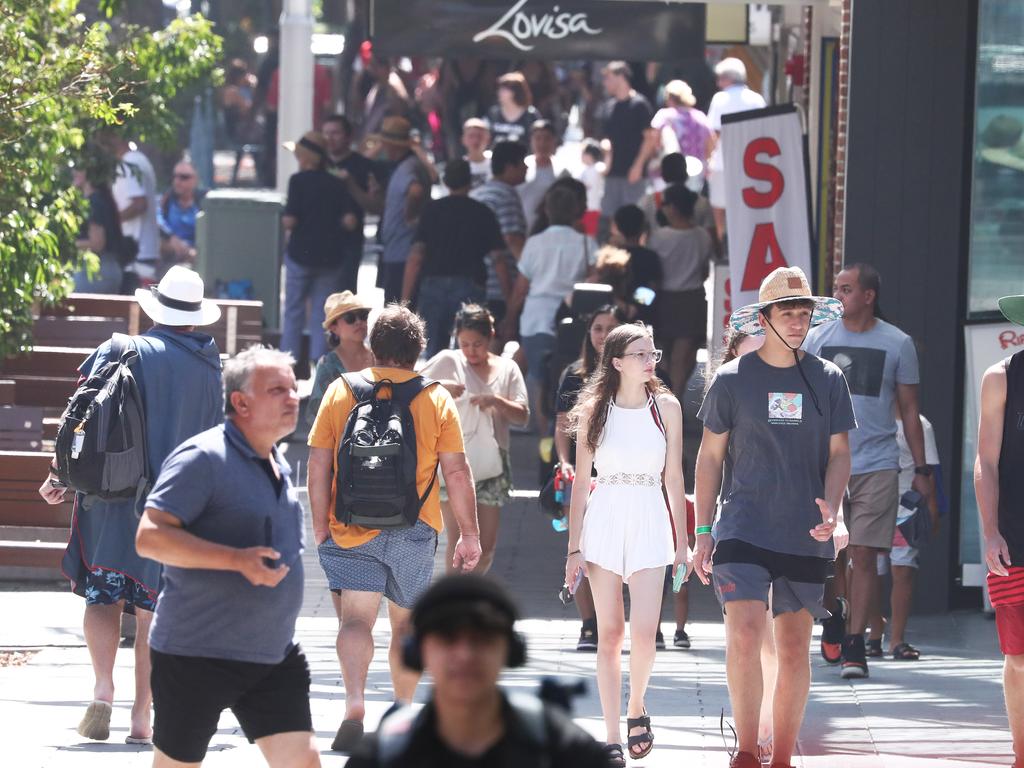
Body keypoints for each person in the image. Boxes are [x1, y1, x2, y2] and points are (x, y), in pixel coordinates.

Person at [38, 266, 224, 745]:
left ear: (155, 307)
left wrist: (59, 475)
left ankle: (102, 690)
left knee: (103, 595)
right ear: (195, 315)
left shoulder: (120, 349)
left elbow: (79, 417)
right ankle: (143, 715)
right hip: (172, 507)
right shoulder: (210, 366)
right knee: (153, 611)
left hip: (108, 498)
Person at [693, 266, 854, 768]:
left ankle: (781, 756)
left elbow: (841, 453)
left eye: (804, 314)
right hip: (742, 527)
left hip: (805, 532)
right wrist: (701, 532)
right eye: (788, 313)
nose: (798, 322)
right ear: (764, 319)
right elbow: (709, 458)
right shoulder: (731, 379)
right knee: (743, 632)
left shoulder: (829, 378)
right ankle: (745, 750)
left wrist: (833, 503)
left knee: (792, 648)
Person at [306, 304, 483, 753]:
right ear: (419, 349)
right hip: (415, 527)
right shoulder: (435, 397)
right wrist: (470, 533)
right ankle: (401, 711)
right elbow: (458, 473)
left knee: (356, 620)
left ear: (372, 346)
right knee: (405, 628)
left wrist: (319, 523)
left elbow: (318, 462)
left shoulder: (341, 390)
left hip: (350, 526)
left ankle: (354, 703)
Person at [135, 347, 319, 768]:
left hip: (271, 655)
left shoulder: (276, 461)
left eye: (294, 388)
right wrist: (236, 560)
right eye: (277, 390)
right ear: (240, 402)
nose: (292, 398)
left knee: (304, 763)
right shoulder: (203, 457)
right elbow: (150, 537)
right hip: (195, 654)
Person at [565, 323, 689, 766]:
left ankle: (637, 706)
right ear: (616, 362)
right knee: (610, 633)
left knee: (644, 633)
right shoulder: (595, 408)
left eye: (652, 352)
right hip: (605, 516)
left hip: (650, 515)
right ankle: (612, 735)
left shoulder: (667, 407)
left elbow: (674, 477)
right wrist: (573, 549)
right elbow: (581, 483)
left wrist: (683, 543)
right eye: (639, 353)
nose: (649, 359)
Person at [804, 263, 933, 679]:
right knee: (829, 554)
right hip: (823, 461)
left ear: (868, 296)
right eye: (836, 288)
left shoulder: (898, 343)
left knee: (864, 553)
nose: (837, 296)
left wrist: (923, 467)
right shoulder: (816, 338)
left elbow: (910, 410)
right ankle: (834, 617)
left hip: (878, 462)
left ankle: (856, 643)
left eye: (846, 289)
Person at [345, 574, 610, 768]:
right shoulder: (381, 757)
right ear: (418, 650)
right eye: (447, 638)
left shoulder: (565, 751)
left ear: (510, 650)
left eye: (481, 638)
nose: (464, 654)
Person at [423, 305, 529, 573]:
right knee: (459, 539)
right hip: (453, 459)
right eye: (465, 344)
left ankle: (467, 596)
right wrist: (441, 388)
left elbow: (522, 416)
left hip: (493, 461)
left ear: (491, 335)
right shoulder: (449, 359)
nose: (471, 351)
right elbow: (412, 388)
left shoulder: (508, 368)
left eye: (478, 344)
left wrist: (495, 401)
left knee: (487, 545)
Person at [554, 305, 626, 652]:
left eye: (610, 328)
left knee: (618, 552)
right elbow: (560, 425)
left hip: (621, 477)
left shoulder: (635, 372)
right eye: (598, 328)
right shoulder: (574, 374)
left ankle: (613, 620)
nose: (603, 335)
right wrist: (564, 463)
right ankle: (588, 624)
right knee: (579, 547)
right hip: (584, 474)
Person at [975, 291, 1024, 768]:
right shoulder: (1002, 377)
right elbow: (986, 460)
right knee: (1020, 658)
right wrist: (989, 531)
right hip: (1015, 536)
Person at [505, 185, 598, 435]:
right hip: (574, 318)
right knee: (570, 374)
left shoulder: (534, 243)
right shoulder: (587, 243)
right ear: (576, 211)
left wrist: (510, 318)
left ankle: (544, 430)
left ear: (546, 210)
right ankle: (566, 428)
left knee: (538, 374)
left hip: (536, 318)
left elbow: (521, 287)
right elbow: (594, 280)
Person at [402, 159, 506, 358]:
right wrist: (508, 300)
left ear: (446, 182)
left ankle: (434, 388)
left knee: (433, 353)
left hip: (433, 284)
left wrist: (406, 302)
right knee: (469, 351)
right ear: (470, 181)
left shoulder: (431, 211)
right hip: (470, 285)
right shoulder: (482, 212)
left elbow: (416, 256)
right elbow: (498, 260)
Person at [280, 131, 360, 365]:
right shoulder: (336, 184)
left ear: (303, 158)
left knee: (293, 310)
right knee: (323, 316)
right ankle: (320, 364)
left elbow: (290, 221)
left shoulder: (297, 181)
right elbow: (350, 221)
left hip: (300, 254)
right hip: (330, 257)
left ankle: (288, 361)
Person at [867, 414, 940, 660]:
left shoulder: (921, 425)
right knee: (870, 573)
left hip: (906, 509)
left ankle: (897, 639)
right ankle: (875, 629)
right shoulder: (868, 415)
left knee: (903, 570)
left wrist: (932, 510)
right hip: (873, 506)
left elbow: (928, 472)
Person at [647, 184, 714, 400]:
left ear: (673, 208)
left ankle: (663, 403)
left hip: (663, 300)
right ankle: (675, 401)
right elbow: (705, 270)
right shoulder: (703, 236)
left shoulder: (657, 237)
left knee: (662, 356)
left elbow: (653, 273)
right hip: (692, 299)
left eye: (665, 203)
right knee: (682, 358)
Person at [469, 141, 529, 335]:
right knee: (495, 338)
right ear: (510, 167)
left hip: (476, 278)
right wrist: (528, 274)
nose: (526, 168)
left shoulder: (478, 193)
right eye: (522, 163)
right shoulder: (506, 195)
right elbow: (512, 239)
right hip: (499, 284)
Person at [706, 58, 767, 242]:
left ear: (727, 79)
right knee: (745, 207)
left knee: (720, 206)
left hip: (723, 163)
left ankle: (722, 241)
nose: (718, 84)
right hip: (751, 163)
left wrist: (708, 159)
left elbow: (713, 133)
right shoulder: (757, 99)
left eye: (720, 79)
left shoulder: (720, 99)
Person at [323, 114, 385, 293]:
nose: (330, 138)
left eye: (335, 133)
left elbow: (376, 206)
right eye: (326, 133)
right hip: (318, 241)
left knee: (345, 298)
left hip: (349, 243)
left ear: (348, 137)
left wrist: (351, 185)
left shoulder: (364, 166)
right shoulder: (317, 164)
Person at [375, 117, 432, 303]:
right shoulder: (407, 165)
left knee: (397, 308)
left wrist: (410, 215)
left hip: (402, 250)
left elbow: (416, 191)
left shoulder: (408, 166)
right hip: (397, 248)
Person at [98, 131, 161, 287]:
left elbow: (139, 204)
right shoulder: (140, 159)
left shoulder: (128, 164)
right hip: (143, 252)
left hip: (137, 255)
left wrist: (110, 223)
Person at [598, 61, 654, 237]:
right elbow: (606, 136)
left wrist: (638, 165)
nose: (605, 83)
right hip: (612, 173)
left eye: (608, 78)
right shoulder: (608, 106)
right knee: (609, 217)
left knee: (634, 218)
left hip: (633, 175)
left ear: (621, 77)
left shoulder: (640, 105)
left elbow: (649, 138)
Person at [306, 291, 374, 425]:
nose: (359, 322)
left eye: (363, 316)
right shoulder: (328, 365)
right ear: (334, 327)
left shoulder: (379, 357)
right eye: (350, 318)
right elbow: (315, 414)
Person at [71, 163, 127, 294]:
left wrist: (68, 245)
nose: (74, 172)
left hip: (97, 271)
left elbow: (97, 244)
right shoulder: (101, 199)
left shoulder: (94, 202)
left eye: (79, 167)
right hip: (105, 270)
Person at [640, 79, 713, 174]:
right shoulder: (701, 117)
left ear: (669, 98)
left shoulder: (664, 116)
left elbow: (652, 139)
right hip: (697, 173)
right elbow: (711, 143)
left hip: (668, 173)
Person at [608, 204, 663, 328]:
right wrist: (635, 306)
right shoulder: (650, 256)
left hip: (613, 315)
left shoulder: (610, 255)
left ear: (616, 227)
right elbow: (653, 286)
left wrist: (623, 305)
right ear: (643, 228)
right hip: (643, 318)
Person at [638, 152, 716, 238]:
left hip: (657, 250)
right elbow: (712, 238)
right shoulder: (702, 203)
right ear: (686, 174)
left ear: (662, 175)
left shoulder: (647, 202)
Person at [518, 120, 563, 234]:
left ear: (554, 141)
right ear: (531, 141)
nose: (542, 143)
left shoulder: (563, 171)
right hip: (522, 229)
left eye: (547, 138)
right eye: (538, 138)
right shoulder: (521, 167)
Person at [157, 160, 204, 267]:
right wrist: (170, 237)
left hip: (196, 255)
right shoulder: (166, 199)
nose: (177, 181)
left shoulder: (202, 201)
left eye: (184, 177)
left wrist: (192, 250)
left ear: (195, 180)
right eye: (175, 176)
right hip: (170, 254)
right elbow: (157, 220)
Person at [486, 72, 541, 146]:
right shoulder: (494, 113)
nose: (499, 93)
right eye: (500, 89)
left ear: (515, 92)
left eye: (504, 90)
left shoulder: (530, 115)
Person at [578, 140, 606, 238]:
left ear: (589, 155)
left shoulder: (598, 168)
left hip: (592, 208)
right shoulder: (584, 170)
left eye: (583, 153)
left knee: (590, 237)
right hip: (583, 209)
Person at [461, 117, 492, 188]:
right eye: (471, 136)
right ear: (463, 139)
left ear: (488, 139)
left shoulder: (496, 163)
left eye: (479, 136)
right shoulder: (459, 167)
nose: (476, 140)